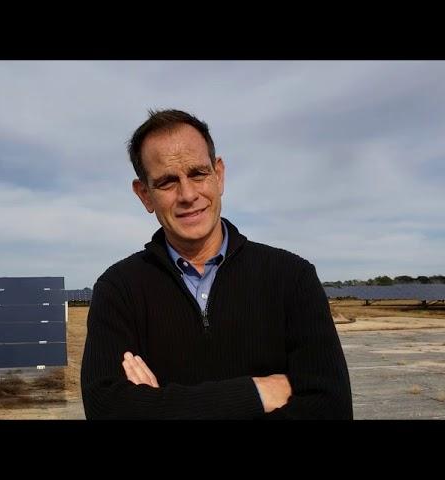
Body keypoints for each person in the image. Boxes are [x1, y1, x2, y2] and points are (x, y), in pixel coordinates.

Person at [80, 109, 353, 419]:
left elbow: (331, 408)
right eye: (167, 182)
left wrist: (158, 406)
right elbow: (107, 408)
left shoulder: (292, 277)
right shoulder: (119, 290)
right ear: (145, 195)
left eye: (198, 173)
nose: (188, 194)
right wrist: (252, 394)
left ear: (219, 174)